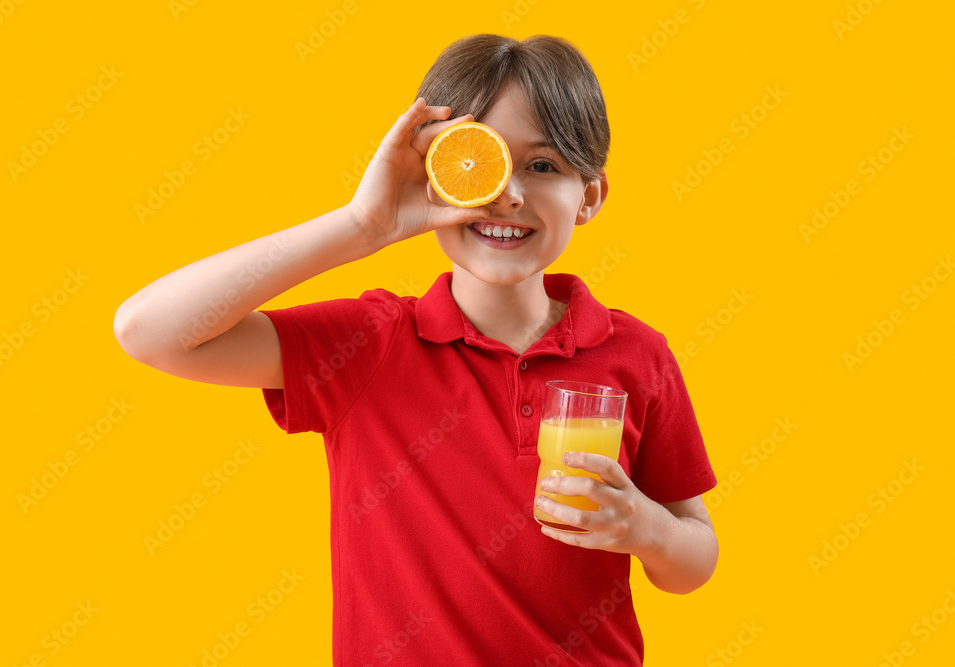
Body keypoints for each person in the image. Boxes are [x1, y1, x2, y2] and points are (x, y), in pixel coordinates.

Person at [114, 33, 718, 666]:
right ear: (434, 174)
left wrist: (642, 528)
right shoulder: (369, 345)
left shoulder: (637, 354)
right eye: (477, 160)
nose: (508, 194)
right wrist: (361, 226)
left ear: (590, 195)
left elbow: (692, 562)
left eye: (544, 166)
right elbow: (149, 331)